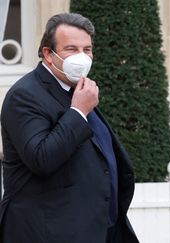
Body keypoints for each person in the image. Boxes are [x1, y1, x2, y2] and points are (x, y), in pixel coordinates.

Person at [0, 13, 139, 243]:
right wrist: (78, 112)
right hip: (49, 232)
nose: (82, 57)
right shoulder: (24, 96)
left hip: (97, 228)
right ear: (48, 54)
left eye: (87, 50)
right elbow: (41, 158)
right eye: (72, 49)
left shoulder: (77, 90)